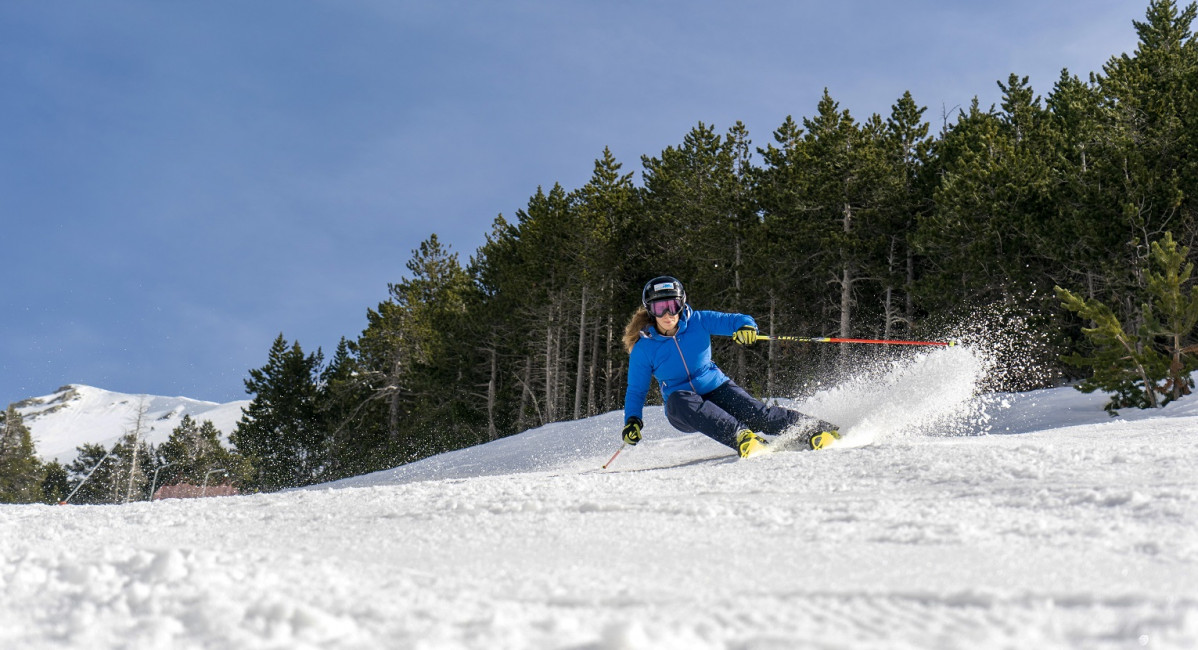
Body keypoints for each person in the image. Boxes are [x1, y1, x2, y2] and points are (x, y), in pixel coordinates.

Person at [621, 276, 840, 458]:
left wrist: (746, 327)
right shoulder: (644, 348)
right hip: (683, 407)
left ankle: (817, 430)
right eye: (660, 308)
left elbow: (736, 320)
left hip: (716, 388)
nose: (668, 314)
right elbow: (636, 390)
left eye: (673, 305)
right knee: (679, 399)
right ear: (651, 311)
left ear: (682, 304)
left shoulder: (699, 321)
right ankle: (742, 437)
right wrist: (632, 420)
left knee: (758, 415)